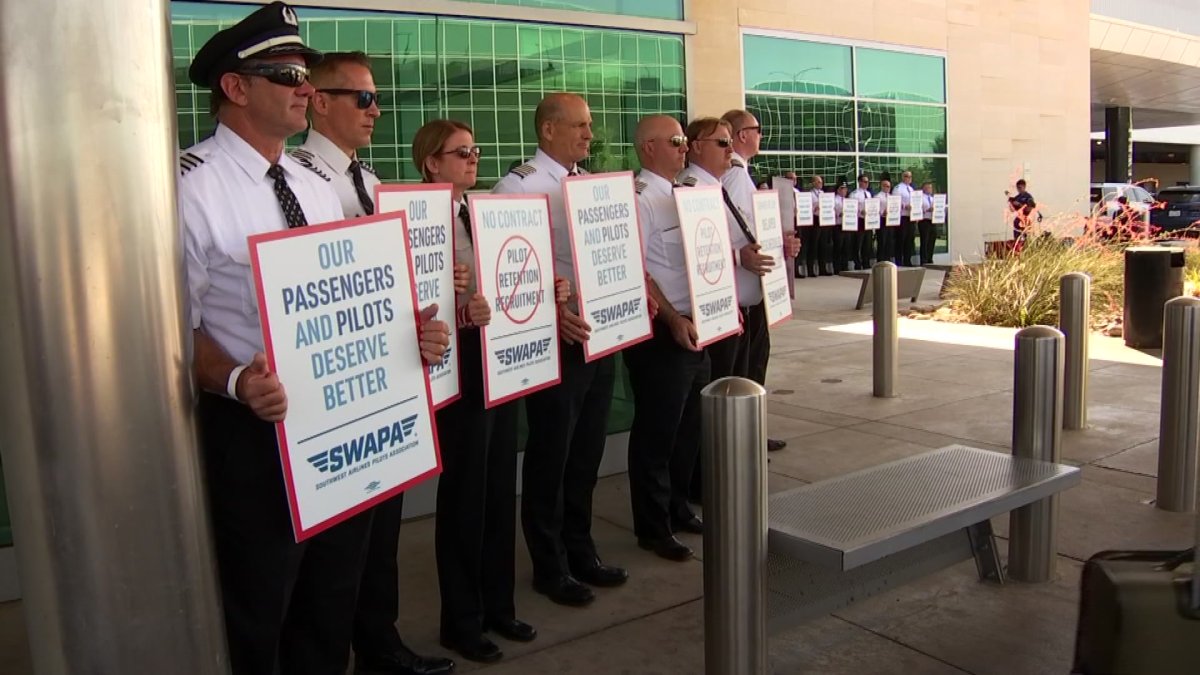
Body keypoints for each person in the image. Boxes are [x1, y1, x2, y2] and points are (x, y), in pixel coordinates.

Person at [179, 4, 450, 674]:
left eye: (305, 73)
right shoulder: (191, 189)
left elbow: (351, 295)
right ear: (236, 89)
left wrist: (408, 330)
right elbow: (173, 331)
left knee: (332, 599)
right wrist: (237, 379)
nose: (305, 86)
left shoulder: (313, 185)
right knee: (262, 606)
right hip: (257, 430)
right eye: (288, 74)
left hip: (340, 420)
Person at [289, 52, 456, 675]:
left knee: (380, 535)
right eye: (361, 98)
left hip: (386, 378)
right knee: (334, 557)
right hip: (336, 390)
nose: (375, 110)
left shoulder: (368, 178)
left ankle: (380, 644)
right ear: (320, 101)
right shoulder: (302, 180)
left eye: (375, 98)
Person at [414, 119, 554, 664]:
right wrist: (457, 307)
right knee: (466, 496)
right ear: (431, 161)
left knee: (500, 486)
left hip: (498, 354)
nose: (473, 160)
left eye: (475, 151)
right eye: (460, 153)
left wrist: (548, 287)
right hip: (453, 362)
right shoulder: (415, 219)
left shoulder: (479, 211)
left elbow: (503, 276)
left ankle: (498, 604)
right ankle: (462, 618)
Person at [492, 93, 629, 608]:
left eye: (591, 126)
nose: (590, 135)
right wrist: (552, 311)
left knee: (587, 451)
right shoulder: (518, 186)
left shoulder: (586, 186)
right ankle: (550, 566)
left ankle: (581, 550)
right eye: (580, 126)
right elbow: (510, 271)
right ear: (548, 130)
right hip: (558, 341)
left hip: (602, 333)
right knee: (554, 454)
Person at [624, 115, 709, 562]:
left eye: (684, 141)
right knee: (658, 432)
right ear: (648, 148)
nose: (684, 148)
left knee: (689, 426)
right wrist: (674, 320)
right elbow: (639, 270)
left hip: (699, 323)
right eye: (675, 141)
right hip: (663, 330)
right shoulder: (640, 199)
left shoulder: (686, 194)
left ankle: (678, 508)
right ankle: (653, 526)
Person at [719, 109, 793, 453]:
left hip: (752, 291)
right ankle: (744, 441)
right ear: (741, 136)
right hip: (740, 294)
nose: (761, 135)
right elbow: (731, 236)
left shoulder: (741, 174)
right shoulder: (733, 175)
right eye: (756, 129)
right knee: (744, 373)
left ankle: (750, 435)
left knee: (752, 368)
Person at [893, 170, 917, 266]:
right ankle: (899, 261)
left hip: (911, 218)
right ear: (902, 177)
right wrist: (904, 206)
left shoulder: (911, 189)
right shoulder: (898, 188)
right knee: (901, 240)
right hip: (902, 217)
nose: (909, 178)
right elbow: (894, 201)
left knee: (909, 240)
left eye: (910, 176)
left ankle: (908, 260)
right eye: (907, 176)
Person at [849, 174, 873, 270]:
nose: (866, 184)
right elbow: (850, 207)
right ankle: (857, 263)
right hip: (859, 220)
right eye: (865, 182)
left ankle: (866, 262)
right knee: (857, 243)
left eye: (868, 182)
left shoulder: (869, 194)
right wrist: (860, 211)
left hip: (868, 221)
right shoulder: (854, 194)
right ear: (860, 182)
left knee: (867, 244)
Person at [802, 175, 823, 278]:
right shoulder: (810, 194)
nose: (820, 184)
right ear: (814, 183)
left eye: (821, 182)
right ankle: (810, 269)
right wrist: (814, 208)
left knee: (821, 245)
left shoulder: (823, 194)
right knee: (812, 245)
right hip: (814, 220)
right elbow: (807, 207)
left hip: (823, 220)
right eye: (818, 182)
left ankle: (821, 268)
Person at [875, 178, 895, 264]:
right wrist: (882, 212)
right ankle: (880, 260)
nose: (888, 188)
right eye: (886, 186)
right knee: (882, 241)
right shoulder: (878, 196)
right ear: (882, 186)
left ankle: (888, 259)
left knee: (889, 241)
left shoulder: (892, 197)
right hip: (882, 220)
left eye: (889, 186)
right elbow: (875, 209)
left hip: (890, 221)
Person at [917, 181, 937, 265]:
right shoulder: (920, 198)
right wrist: (927, 210)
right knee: (925, 240)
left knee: (932, 240)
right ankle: (924, 260)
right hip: (924, 220)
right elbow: (917, 209)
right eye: (928, 187)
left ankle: (930, 258)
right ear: (924, 188)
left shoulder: (932, 198)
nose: (930, 189)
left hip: (932, 220)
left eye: (931, 188)